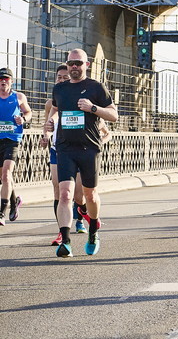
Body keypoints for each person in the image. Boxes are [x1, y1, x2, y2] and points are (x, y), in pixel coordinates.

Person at [44, 49, 118, 257]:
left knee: (89, 195)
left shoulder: (96, 87)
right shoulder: (59, 89)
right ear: (67, 65)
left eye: (78, 63)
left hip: (89, 148)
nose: (74, 67)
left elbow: (114, 115)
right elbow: (55, 112)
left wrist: (93, 108)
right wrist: (50, 125)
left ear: (87, 64)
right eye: (70, 63)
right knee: (65, 194)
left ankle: (93, 231)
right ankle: (65, 241)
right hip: (65, 148)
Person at [41, 65, 72, 244]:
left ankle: (82, 215)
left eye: (65, 77)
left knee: (78, 195)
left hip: (75, 149)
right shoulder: (50, 103)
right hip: (56, 148)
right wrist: (45, 136)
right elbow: (47, 125)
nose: (61, 80)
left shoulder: (77, 99)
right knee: (58, 189)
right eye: (59, 77)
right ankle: (62, 231)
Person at [0, 67, 32, 226]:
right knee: (4, 178)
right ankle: (14, 202)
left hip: (12, 139)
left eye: (6, 79)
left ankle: (1, 213)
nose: (3, 82)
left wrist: (23, 119)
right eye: (0, 80)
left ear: (11, 81)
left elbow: (28, 112)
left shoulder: (18, 96)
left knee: (6, 174)